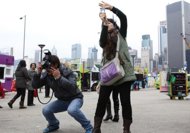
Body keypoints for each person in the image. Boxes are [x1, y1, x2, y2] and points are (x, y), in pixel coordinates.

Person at [93, 2, 136, 133]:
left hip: (124, 73)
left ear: (115, 25)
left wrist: (111, 8)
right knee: (102, 101)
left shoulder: (121, 34)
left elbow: (124, 18)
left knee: (125, 102)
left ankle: (126, 129)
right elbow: (101, 42)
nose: (108, 24)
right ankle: (97, 128)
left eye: (111, 23)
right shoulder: (104, 40)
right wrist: (104, 23)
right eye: (107, 23)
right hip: (108, 74)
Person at [32, 55, 93, 133]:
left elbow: (73, 87)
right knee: (46, 110)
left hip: (76, 98)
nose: (48, 69)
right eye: (46, 67)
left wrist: (59, 77)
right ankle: (53, 124)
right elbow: (35, 86)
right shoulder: (47, 75)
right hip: (62, 100)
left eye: (50, 67)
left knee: (72, 110)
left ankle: (89, 127)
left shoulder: (67, 71)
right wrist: (38, 73)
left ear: (56, 64)